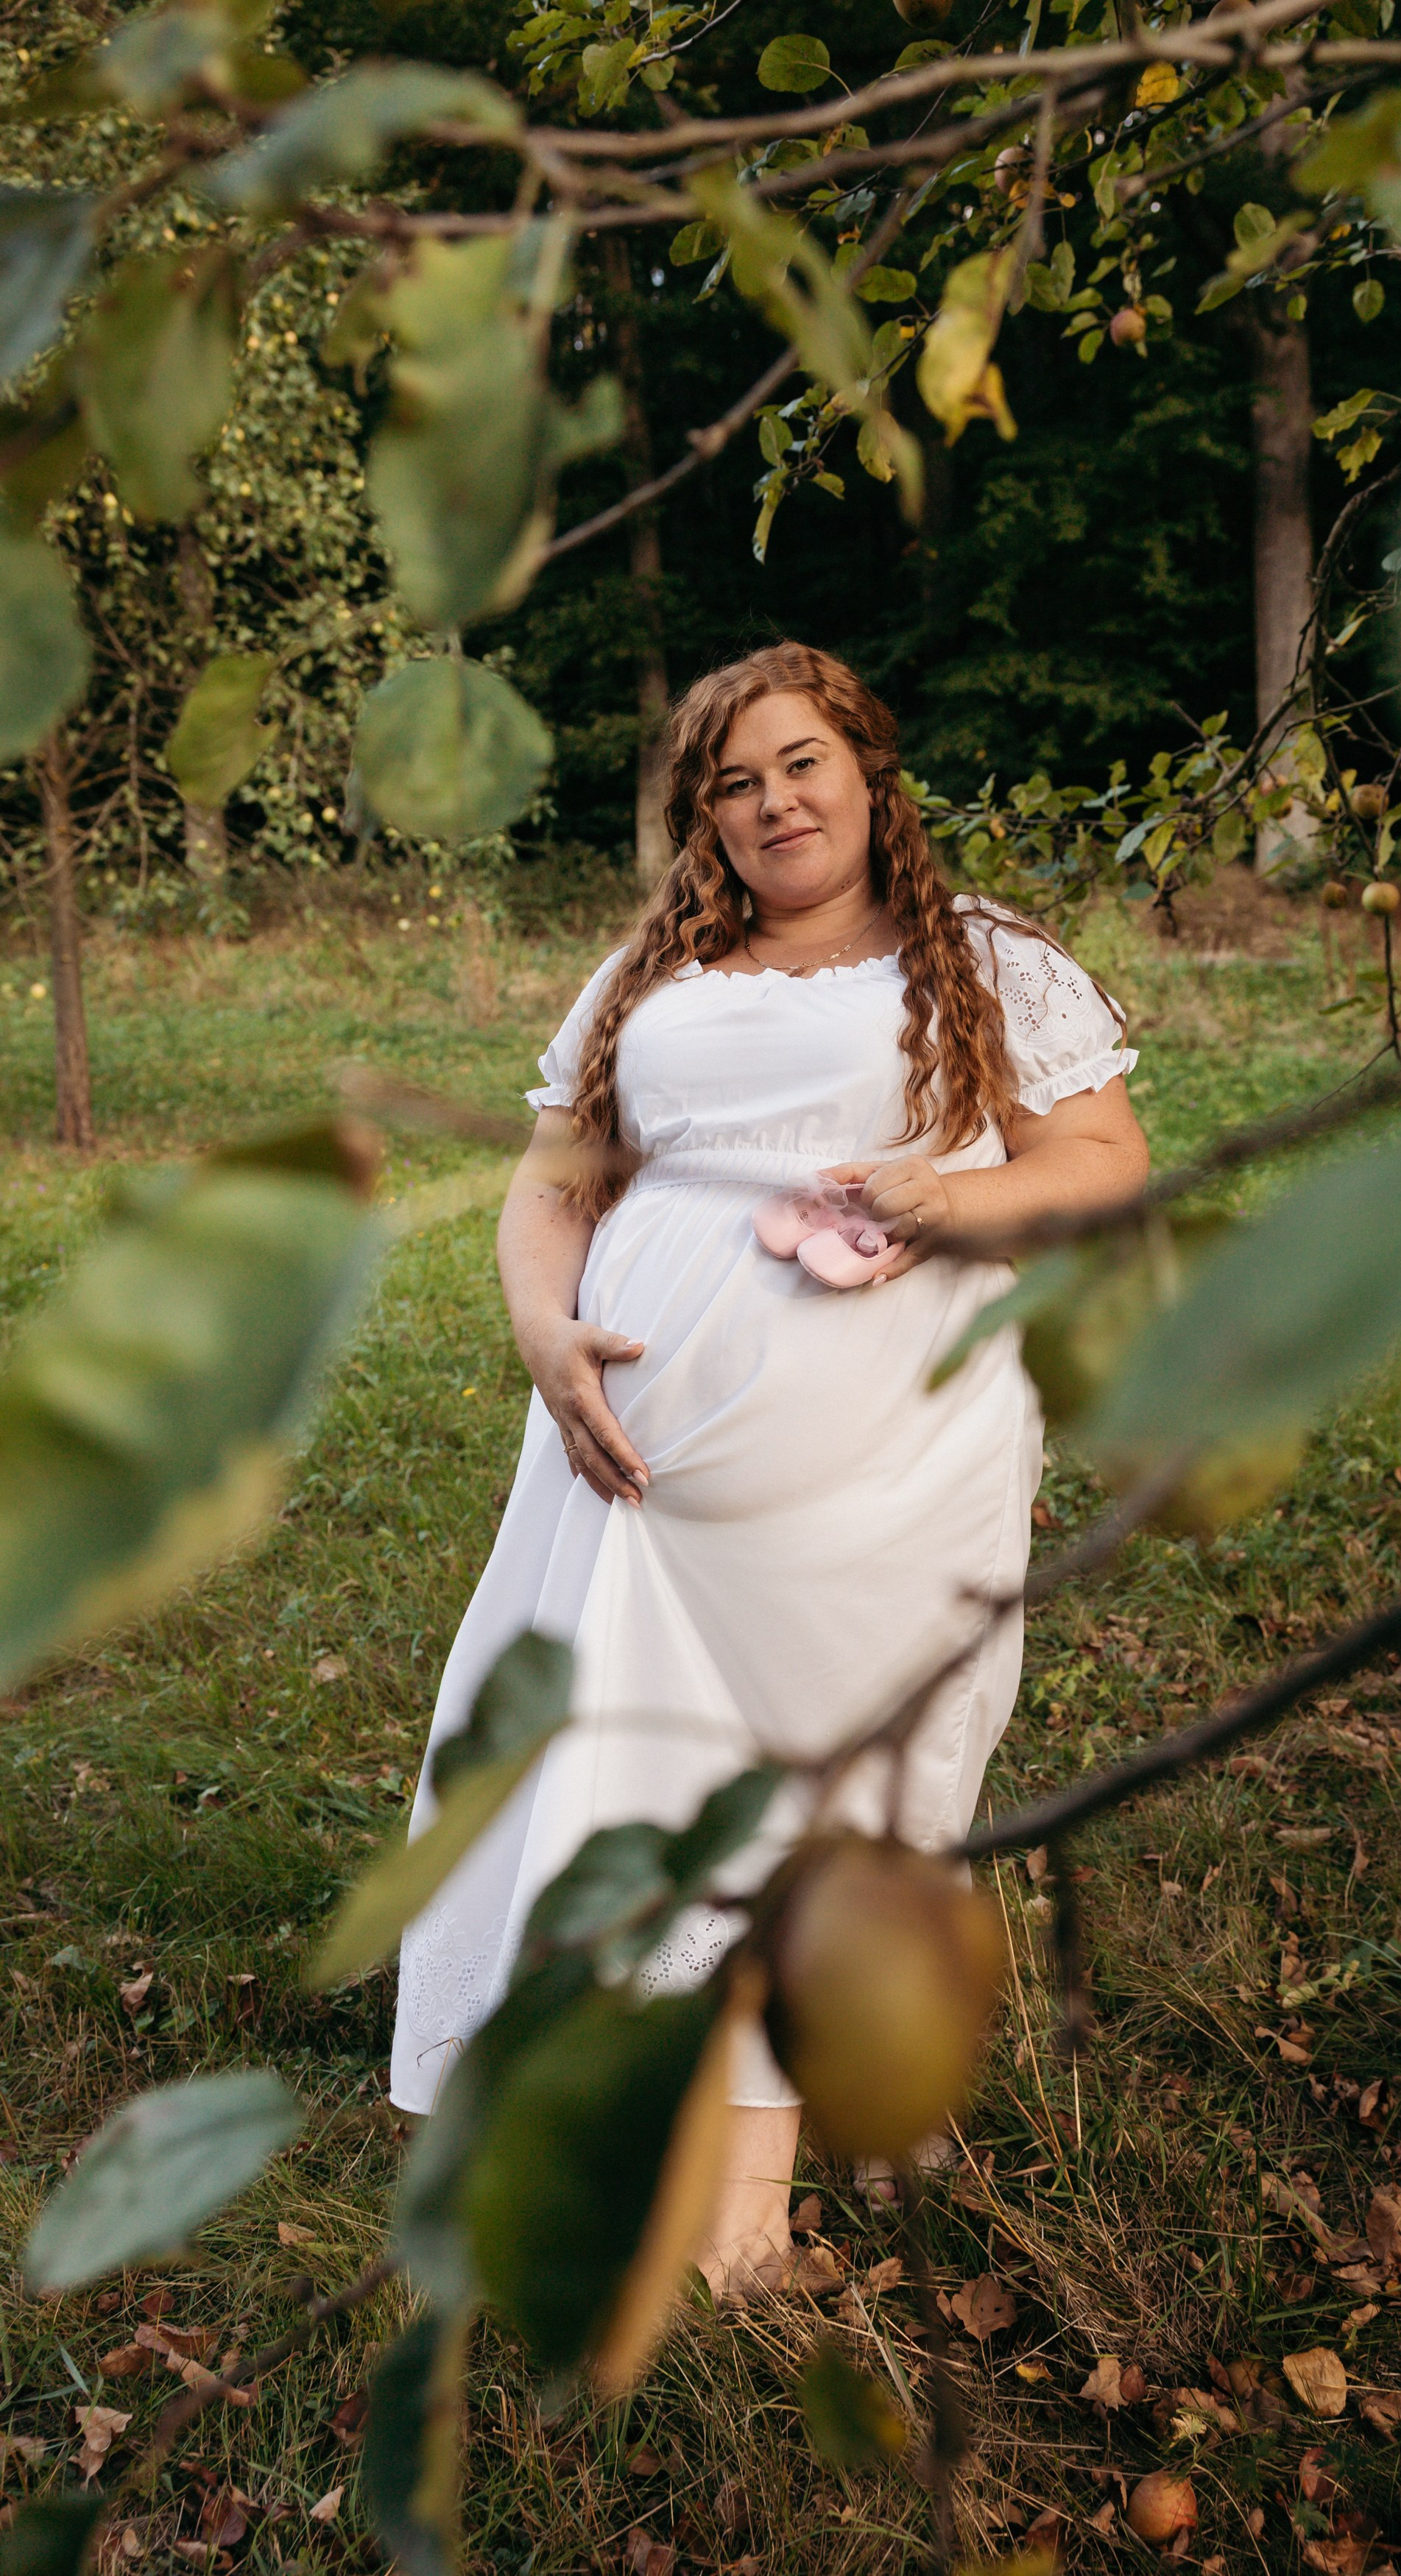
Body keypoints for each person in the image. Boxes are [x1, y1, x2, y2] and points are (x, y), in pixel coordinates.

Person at [389, 641, 1150, 2290]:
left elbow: (1101, 1160)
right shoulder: (648, 977)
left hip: (889, 1454)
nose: (771, 802)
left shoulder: (987, 963)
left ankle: (747, 2217)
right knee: (630, 1768)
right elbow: (553, 1188)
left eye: (800, 762)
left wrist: (954, 1201)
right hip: (640, 1466)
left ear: (871, 771)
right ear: (702, 817)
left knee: (838, 1784)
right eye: (732, 783)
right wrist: (544, 1332)